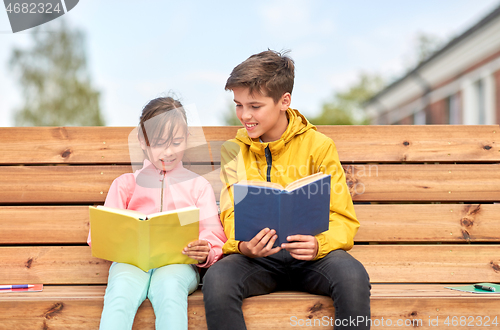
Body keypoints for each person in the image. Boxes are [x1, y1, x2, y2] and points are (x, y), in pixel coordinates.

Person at [202, 50, 371, 330]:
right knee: (218, 280)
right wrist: (242, 245)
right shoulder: (233, 152)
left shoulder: (319, 146)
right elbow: (230, 212)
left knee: (352, 277)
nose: (245, 115)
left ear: (284, 101)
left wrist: (320, 244)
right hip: (257, 259)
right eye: (239, 105)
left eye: (255, 106)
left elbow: (343, 217)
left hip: (312, 257)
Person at [87, 96, 227, 330]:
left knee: (170, 290)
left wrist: (206, 252)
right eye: (159, 142)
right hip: (130, 264)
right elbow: (98, 237)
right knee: (120, 294)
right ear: (143, 140)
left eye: (176, 142)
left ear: (187, 140)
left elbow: (215, 240)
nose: (168, 151)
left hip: (178, 265)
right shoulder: (125, 184)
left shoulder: (197, 186)